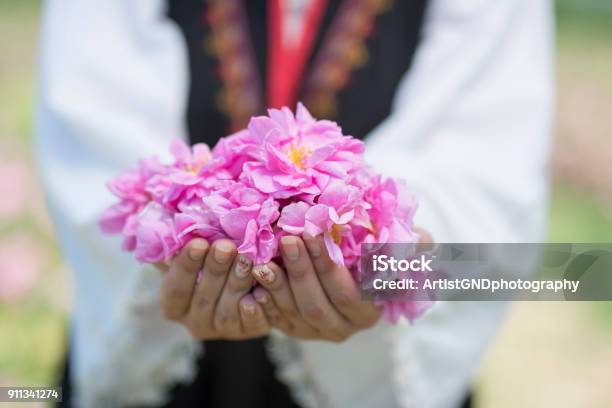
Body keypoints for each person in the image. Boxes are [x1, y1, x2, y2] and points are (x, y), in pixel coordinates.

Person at [36, 0, 554, 407]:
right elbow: (91, 109)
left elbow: (490, 149)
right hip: (168, 375)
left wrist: (381, 256)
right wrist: (166, 248)